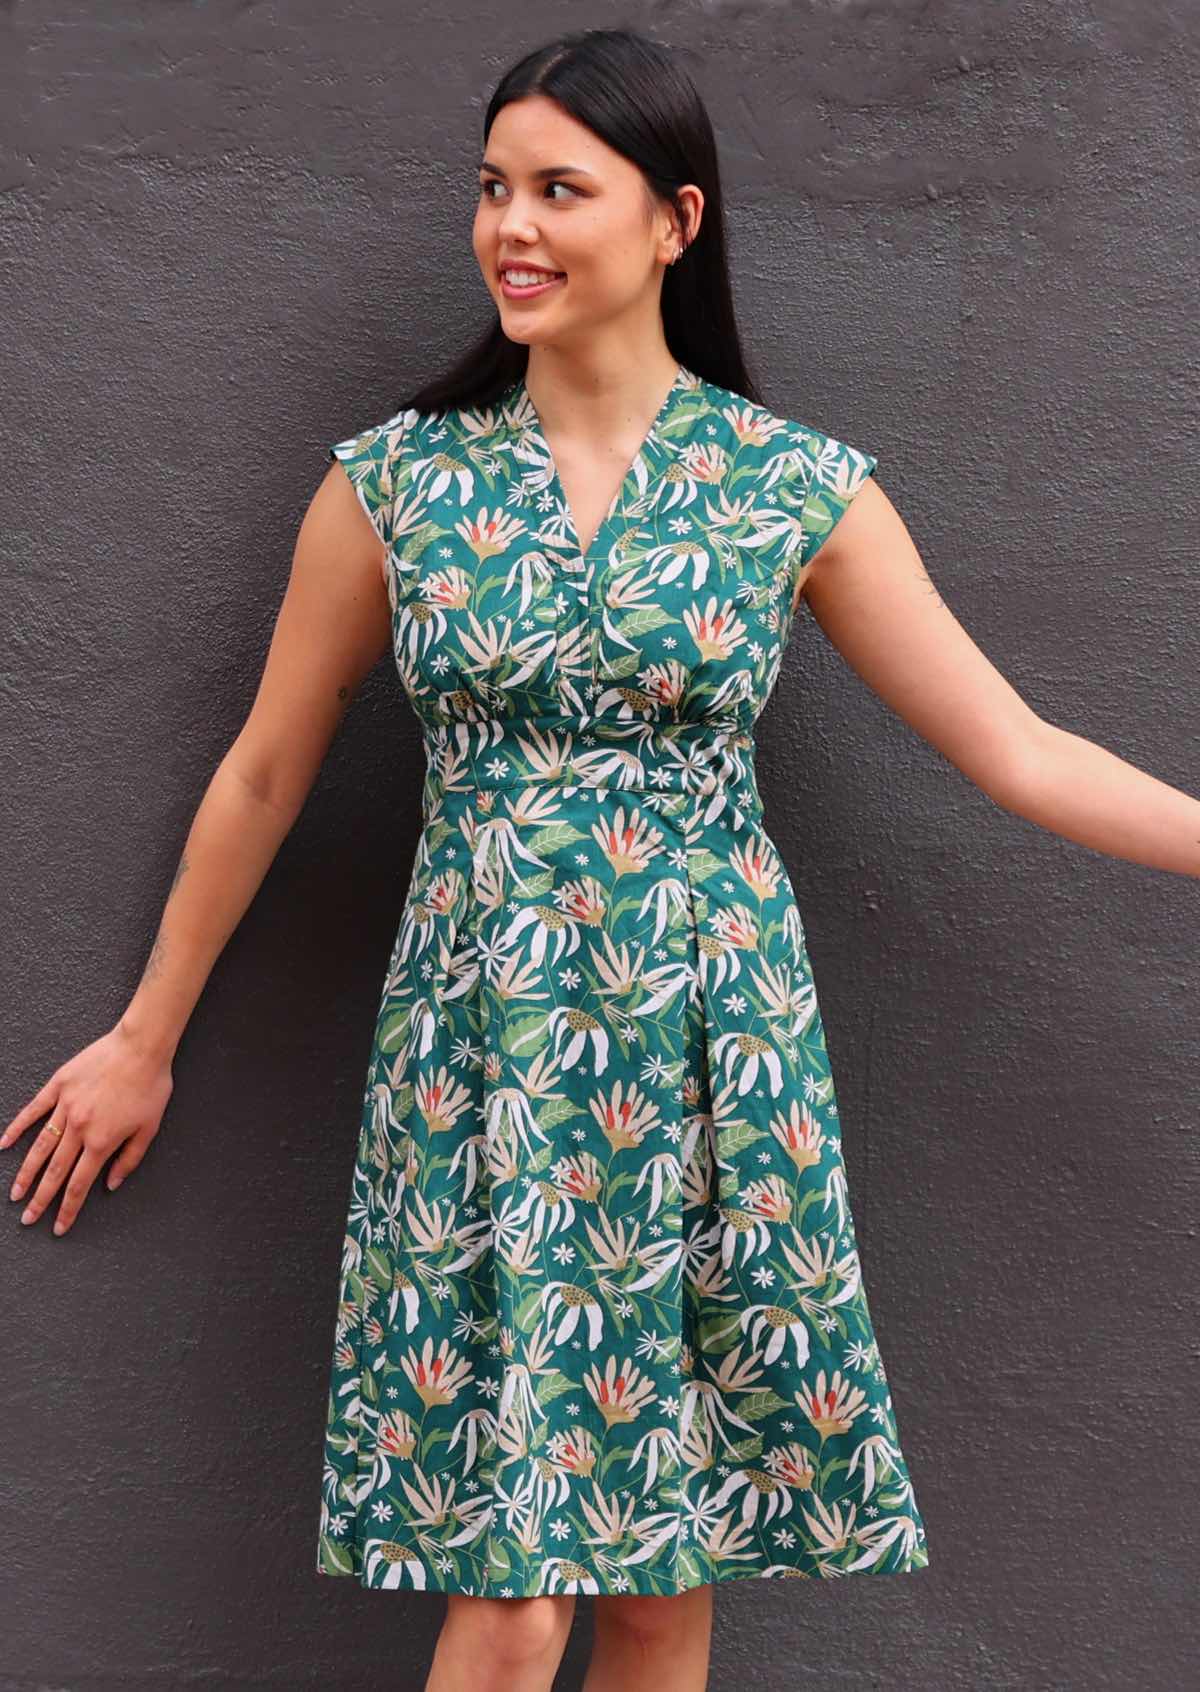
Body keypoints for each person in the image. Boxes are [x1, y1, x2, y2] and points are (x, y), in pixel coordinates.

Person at [5, 24, 1198, 1692]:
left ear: (674, 222)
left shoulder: (792, 489)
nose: (514, 225)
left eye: (562, 189)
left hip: (718, 1052)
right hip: (482, 1063)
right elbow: (267, 770)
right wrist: (147, 1036)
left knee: (659, 1582)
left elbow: (1022, 751)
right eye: (494, 188)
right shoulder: (397, 485)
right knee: (515, 1594)